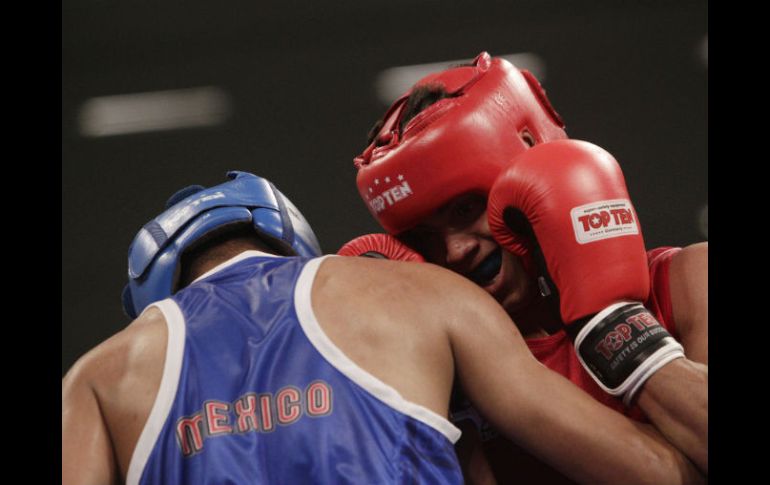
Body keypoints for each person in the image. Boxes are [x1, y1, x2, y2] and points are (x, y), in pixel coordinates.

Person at [62, 170, 705, 485]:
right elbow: (661, 475)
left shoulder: (99, 377)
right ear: (293, 242)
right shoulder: (421, 296)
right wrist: (615, 324)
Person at [348, 51, 707, 482]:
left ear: (534, 172)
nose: (455, 251)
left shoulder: (688, 281)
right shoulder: (446, 365)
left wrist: (612, 322)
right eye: (424, 239)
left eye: (466, 208)